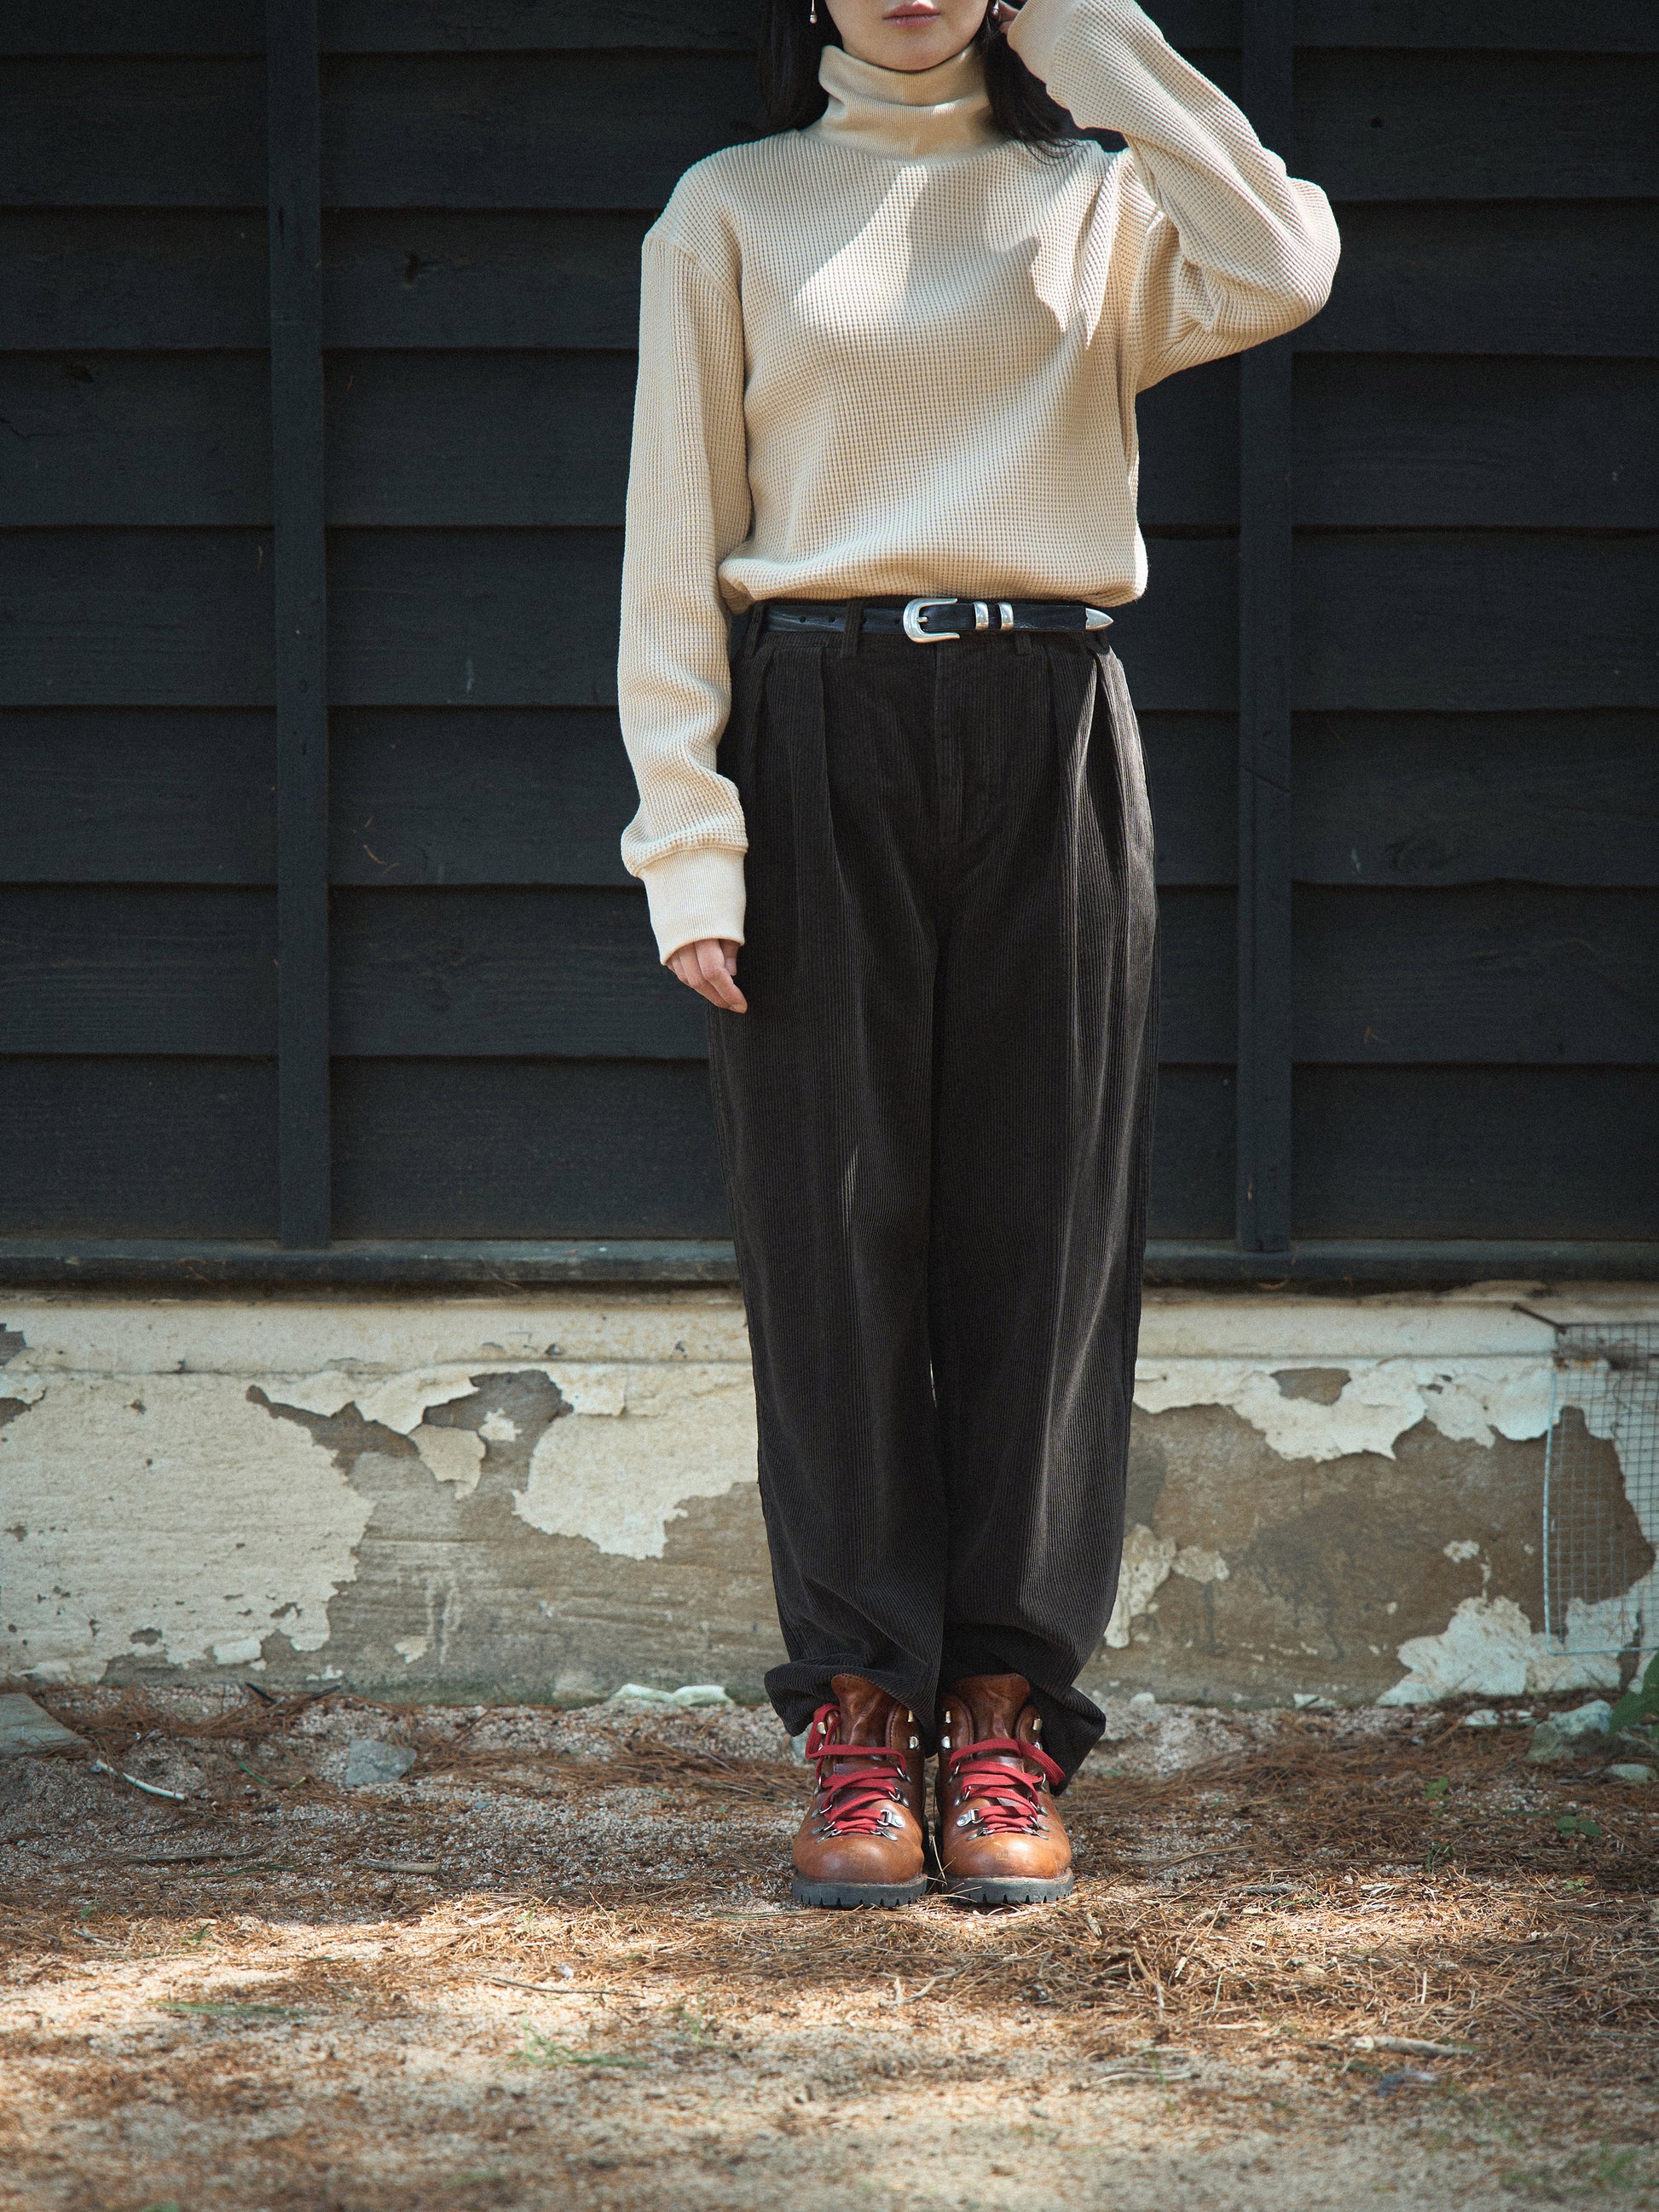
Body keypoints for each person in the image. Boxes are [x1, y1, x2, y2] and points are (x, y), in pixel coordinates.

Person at [617, 0, 1338, 1906]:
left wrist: (1089, 40)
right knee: (828, 1226)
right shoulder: (730, 208)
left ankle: (1007, 1706)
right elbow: (672, 540)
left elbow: (1284, 260)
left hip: (1051, 718)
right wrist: (687, 837)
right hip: (814, 723)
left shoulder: (1095, 197)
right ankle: (862, 1713)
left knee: (1048, 1228)